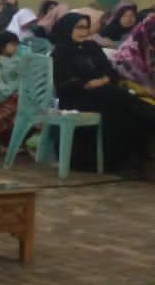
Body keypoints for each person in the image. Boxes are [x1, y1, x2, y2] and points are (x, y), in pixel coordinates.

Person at [53, 13, 155, 171]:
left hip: (103, 93)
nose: (83, 31)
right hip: (77, 100)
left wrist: (105, 79)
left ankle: (130, 160)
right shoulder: (60, 52)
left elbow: (111, 71)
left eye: (86, 28)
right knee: (115, 96)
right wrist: (86, 85)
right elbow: (63, 84)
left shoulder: (92, 47)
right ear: (67, 28)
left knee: (121, 105)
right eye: (79, 27)